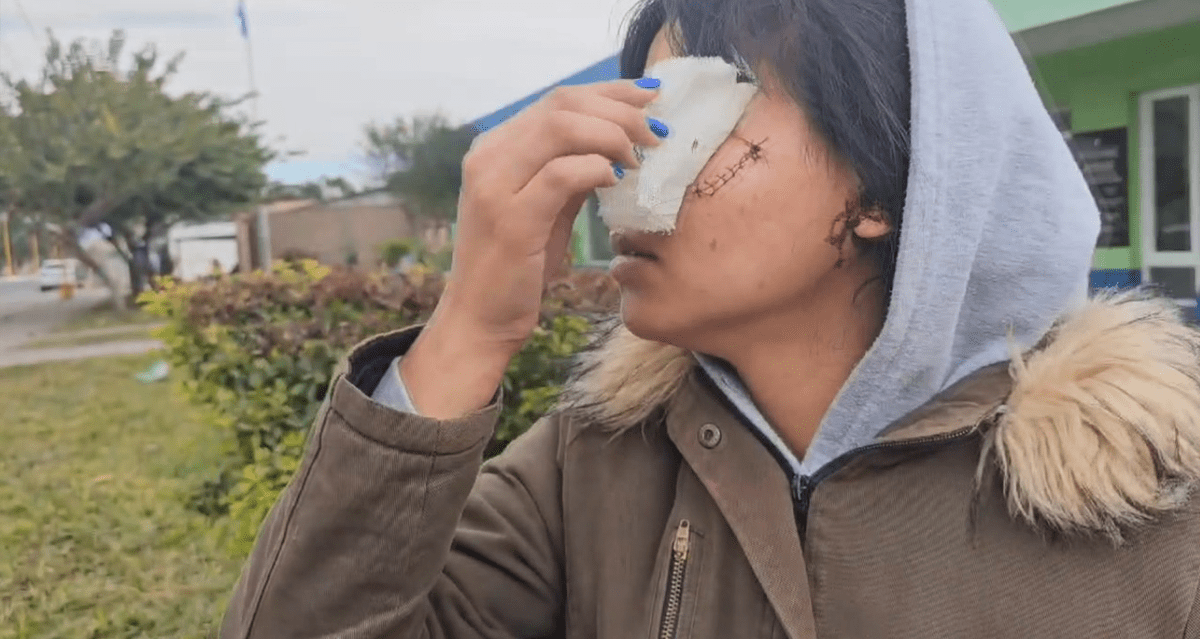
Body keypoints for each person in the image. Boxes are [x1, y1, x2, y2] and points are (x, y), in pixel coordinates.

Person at [219, 0, 1200, 636]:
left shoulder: (1151, 502)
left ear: (887, 186)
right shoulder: (591, 468)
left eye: (695, 115)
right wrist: (467, 331)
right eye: (635, 116)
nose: (622, 176)